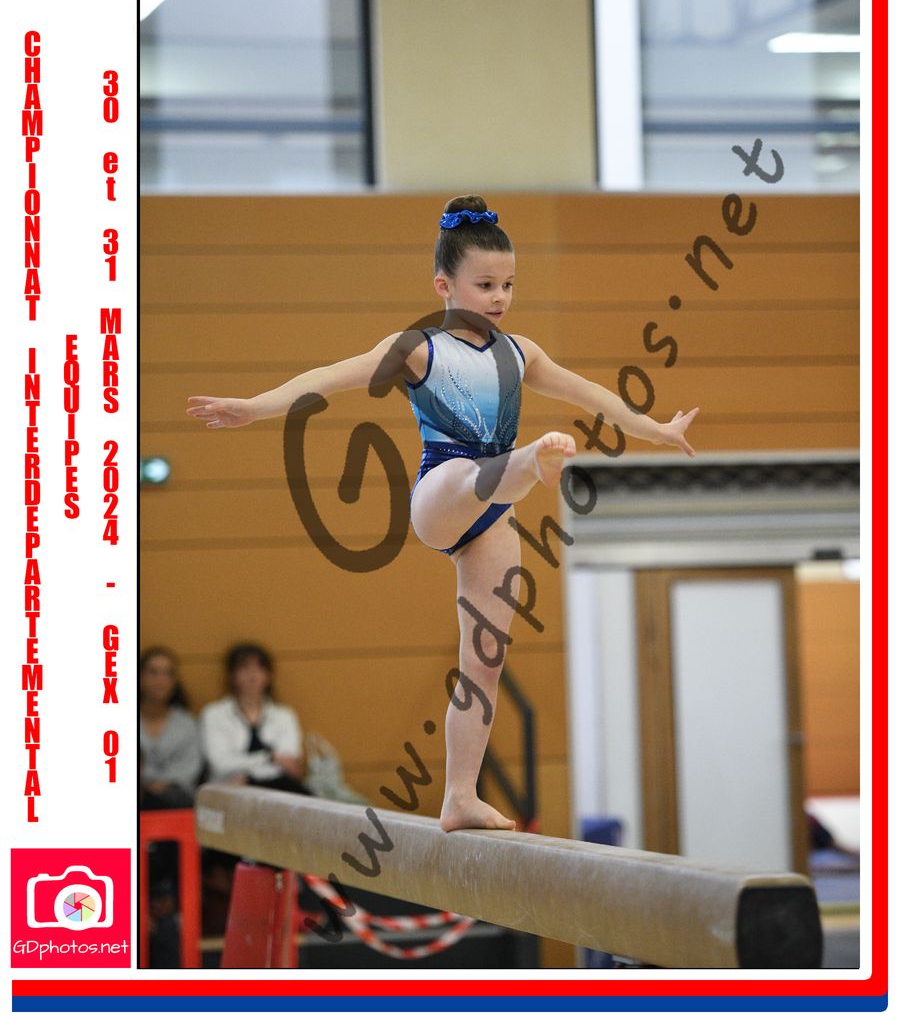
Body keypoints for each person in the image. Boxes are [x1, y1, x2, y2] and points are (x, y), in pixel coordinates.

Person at [187, 195, 699, 833]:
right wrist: (254, 407)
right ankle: (530, 462)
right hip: (442, 488)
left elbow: (593, 395)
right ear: (444, 285)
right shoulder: (417, 348)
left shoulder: (521, 353)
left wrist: (657, 429)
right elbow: (329, 376)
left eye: (508, 284)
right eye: (485, 284)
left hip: (492, 516)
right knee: (479, 472)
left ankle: (459, 794)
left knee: (485, 659)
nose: (499, 297)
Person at [199, 643, 311, 794]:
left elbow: (290, 762)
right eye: (245, 667)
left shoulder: (284, 715)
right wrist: (270, 757)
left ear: (268, 675)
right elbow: (220, 764)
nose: (253, 674)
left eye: (259, 668)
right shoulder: (214, 714)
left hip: (278, 786)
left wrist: (250, 770)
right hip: (229, 787)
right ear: (232, 675)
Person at [139, 647, 203, 808]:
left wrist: (162, 783)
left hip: (175, 797)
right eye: (153, 673)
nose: (160, 680)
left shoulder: (186, 723)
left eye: (167, 674)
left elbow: (190, 767)